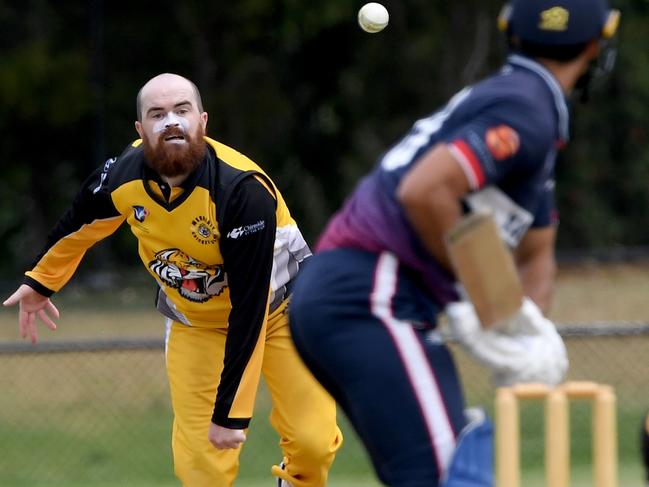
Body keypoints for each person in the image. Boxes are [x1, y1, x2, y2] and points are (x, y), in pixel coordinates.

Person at [288, 1, 620, 486]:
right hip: (367, 293)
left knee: (436, 474)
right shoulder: (525, 108)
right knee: (453, 476)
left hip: (356, 295)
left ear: (514, 36)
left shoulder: (525, 105)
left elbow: (536, 253)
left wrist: (525, 332)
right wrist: (483, 295)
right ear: (596, 46)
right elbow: (426, 191)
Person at [2, 73, 342, 487]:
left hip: (283, 313)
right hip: (196, 325)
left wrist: (230, 414)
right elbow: (80, 224)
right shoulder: (122, 177)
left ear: (202, 121)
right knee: (201, 467)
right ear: (140, 130)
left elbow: (250, 307)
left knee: (313, 442)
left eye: (182, 111)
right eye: (157, 114)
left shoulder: (241, 190)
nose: (171, 122)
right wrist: (40, 283)